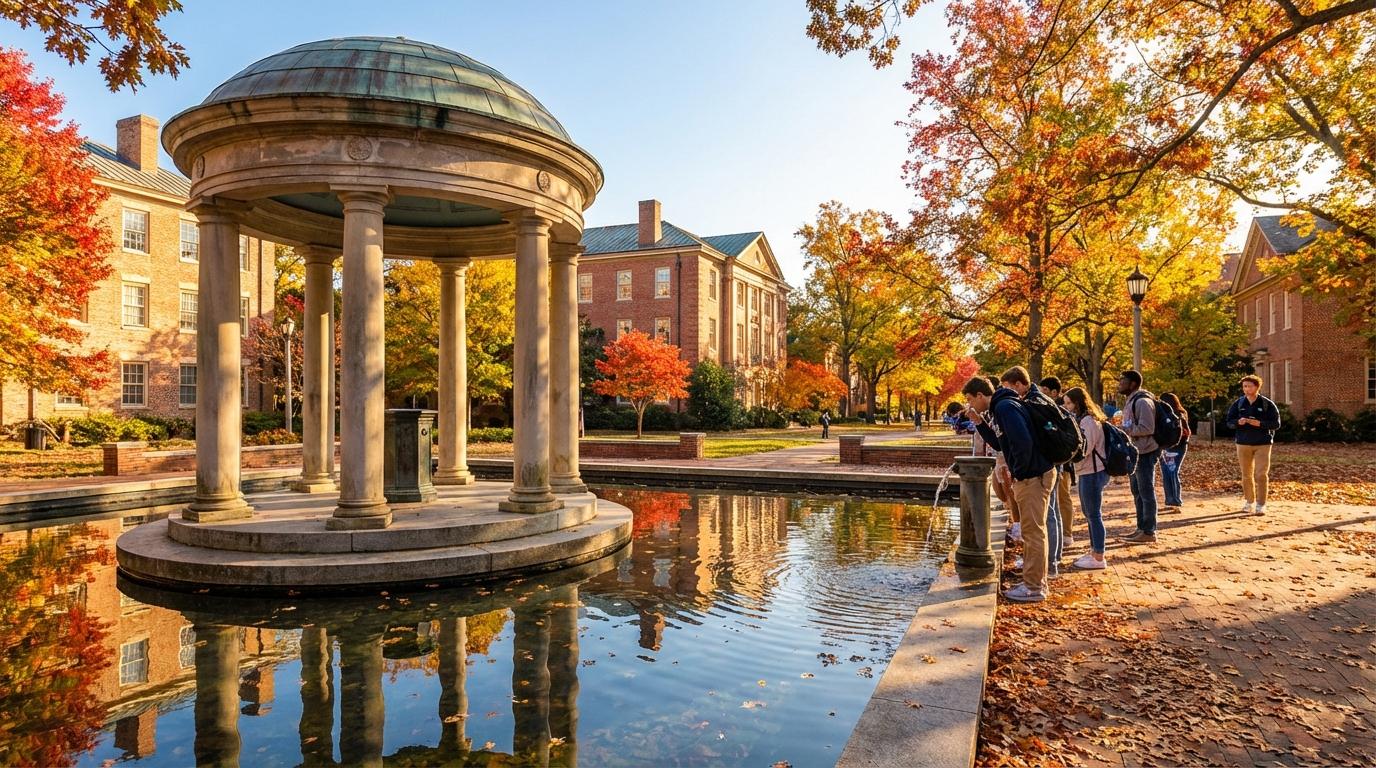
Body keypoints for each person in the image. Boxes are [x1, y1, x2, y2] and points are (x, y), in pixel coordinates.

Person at [963, 367, 1057, 603]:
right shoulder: (1002, 407)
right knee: (1032, 530)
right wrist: (980, 423)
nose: (969, 404)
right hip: (1034, 473)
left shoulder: (1005, 407)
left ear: (980, 395)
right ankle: (1034, 581)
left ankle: (1034, 588)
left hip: (1033, 476)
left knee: (1033, 532)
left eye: (969, 400)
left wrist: (1019, 473)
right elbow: (1001, 443)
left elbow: (1022, 442)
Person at [1062, 387, 1109, 569]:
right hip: (1087, 471)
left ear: (1078, 402)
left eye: (1069, 403)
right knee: (1090, 513)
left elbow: (1085, 449)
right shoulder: (1083, 420)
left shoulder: (1088, 421)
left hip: (1093, 471)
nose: (1066, 407)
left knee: (1093, 514)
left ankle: (1098, 555)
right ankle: (1095, 551)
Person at [1226, 374, 1281, 515]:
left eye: (1250, 386)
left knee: (1261, 474)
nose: (1246, 389)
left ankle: (1261, 504)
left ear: (1257, 387)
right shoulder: (1238, 404)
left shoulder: (1267, 404)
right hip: (1243, 443)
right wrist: (1238, 422)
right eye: (1244, 386)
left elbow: (1276, 424)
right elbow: (1229, 422)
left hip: (1263, 443)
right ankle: (1249, 502)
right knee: (1246, 474)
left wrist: (1260, 424)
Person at [1117, 370, 1160, 544]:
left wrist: (1125, 430)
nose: (1119, 384)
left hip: (1146, 452)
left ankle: (1149, 531)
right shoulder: (1131, 401)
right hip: (1135, 452)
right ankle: (1141, 528)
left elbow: (1147, 428)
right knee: (1137, 491)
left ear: (1133, 384)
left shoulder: (1142, 401)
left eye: (1122, 381)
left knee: (1146, 491)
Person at [1039, 376, 1076, 548]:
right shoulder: (1048, 409)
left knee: (1063, 498)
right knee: (1055, 501)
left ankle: (1067, 534)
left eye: (1045, 390)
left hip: (1064, 462)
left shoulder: (1060, 412)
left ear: (1054, 392)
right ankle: (1061, 536)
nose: (1042, 394)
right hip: (1055, 462)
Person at [1158, 392, 1192, 512]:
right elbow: (1188, 432)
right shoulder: (1180, 414)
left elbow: (1185, 432)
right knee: (1170, 472)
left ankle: (1174, 499)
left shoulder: (1176, 415)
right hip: (1177, 446)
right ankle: (1172, 498)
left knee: (1170, 472)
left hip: (1172, 446)